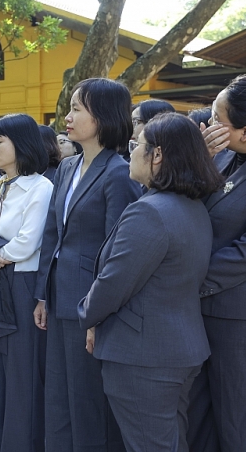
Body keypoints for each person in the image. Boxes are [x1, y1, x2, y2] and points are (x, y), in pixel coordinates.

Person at [79, 113, 223, 452]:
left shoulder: (150, 211)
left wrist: (87, 315)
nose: (131, 152)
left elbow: (114, 282)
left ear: (157, 155)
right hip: (175, 349)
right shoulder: (192, 206)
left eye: (136, 145)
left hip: (143, 356)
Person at [34, 78, 142, 452]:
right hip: (58, 296)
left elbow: (118, 252)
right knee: (59, 397)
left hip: (90, 304)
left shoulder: (119, 173)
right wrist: (41, 296)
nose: (67, 116)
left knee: (87, 401)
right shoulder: (67, 167)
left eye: (77, 108)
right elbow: (52, 235)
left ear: (104, 116)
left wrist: (98, 313)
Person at [0, 114, 53, 452]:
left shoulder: (41, 187)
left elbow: (27, 242)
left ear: (22, 144)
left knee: (20, 375)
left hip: (20, 286)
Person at [188, 74, 246, 452]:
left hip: (241, 320)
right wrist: (197, 158)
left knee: (240, 422)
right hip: (198, 312)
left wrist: (185, 280)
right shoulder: (222, 157)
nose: (210, 127)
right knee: (199, 422)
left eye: (218, 120)